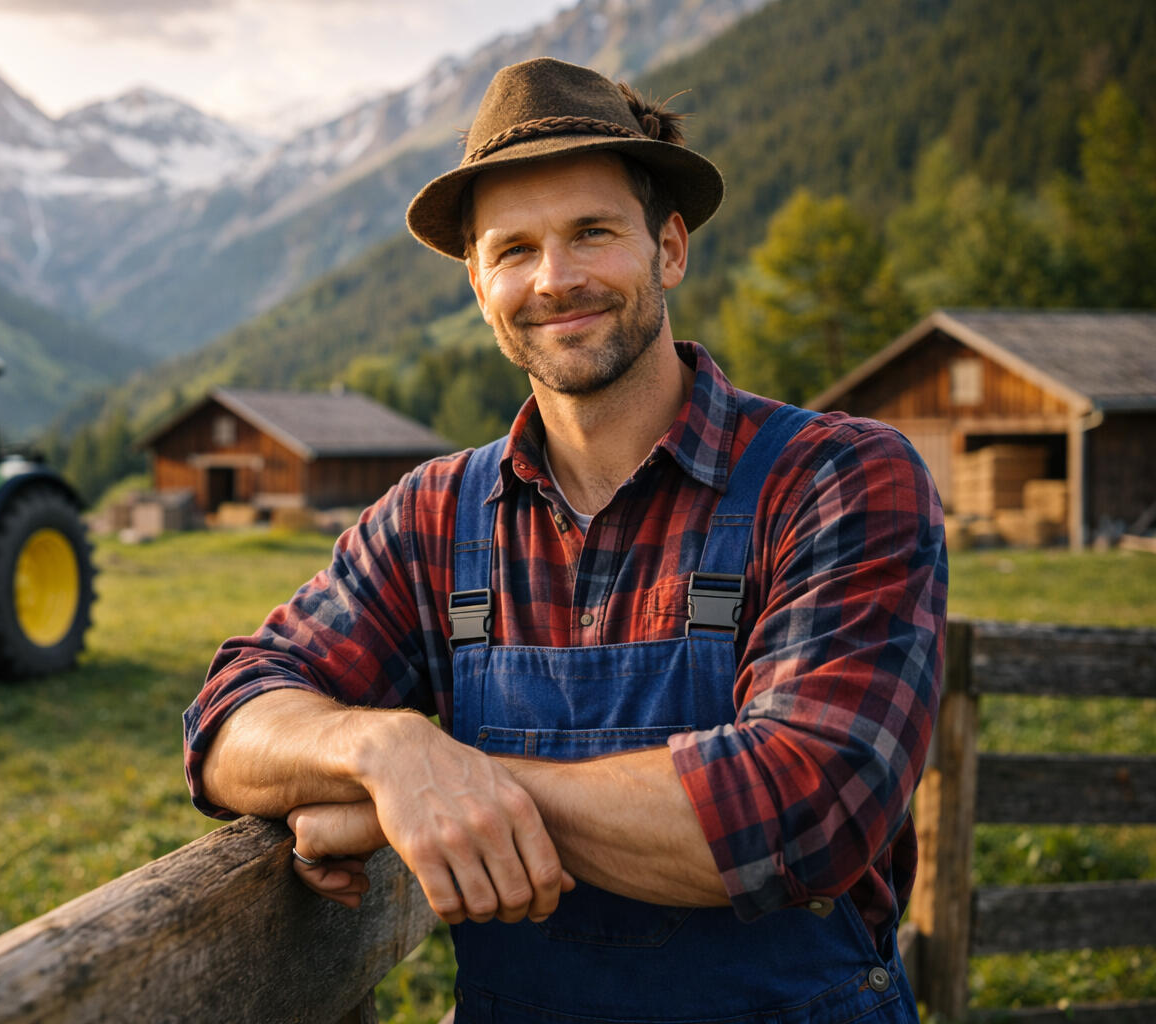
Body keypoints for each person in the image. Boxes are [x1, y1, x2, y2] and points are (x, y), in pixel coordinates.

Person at [183, 57, 945, 1024]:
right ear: (477, 280)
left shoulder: (837, 477)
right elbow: (227, 719)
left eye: (592, 232)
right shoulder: (434, 516)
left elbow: (803, 807)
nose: (556, 279)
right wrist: (387, 748)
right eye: (514, 249)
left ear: (668, 248)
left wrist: (426, 800)